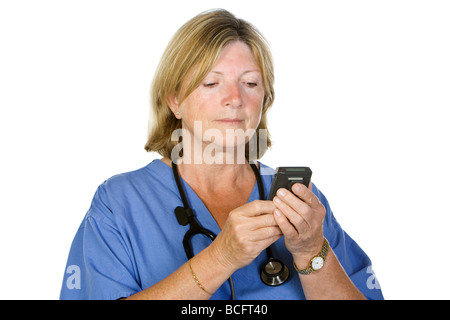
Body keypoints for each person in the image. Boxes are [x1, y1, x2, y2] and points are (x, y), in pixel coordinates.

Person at [60, 9, 383, 300]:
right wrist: (222, 257)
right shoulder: (119, 204)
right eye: (211, 83)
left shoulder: (301, 203)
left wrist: (312, 251)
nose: (234, 98)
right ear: (174, 100)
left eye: (251, 83)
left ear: (264, 100)